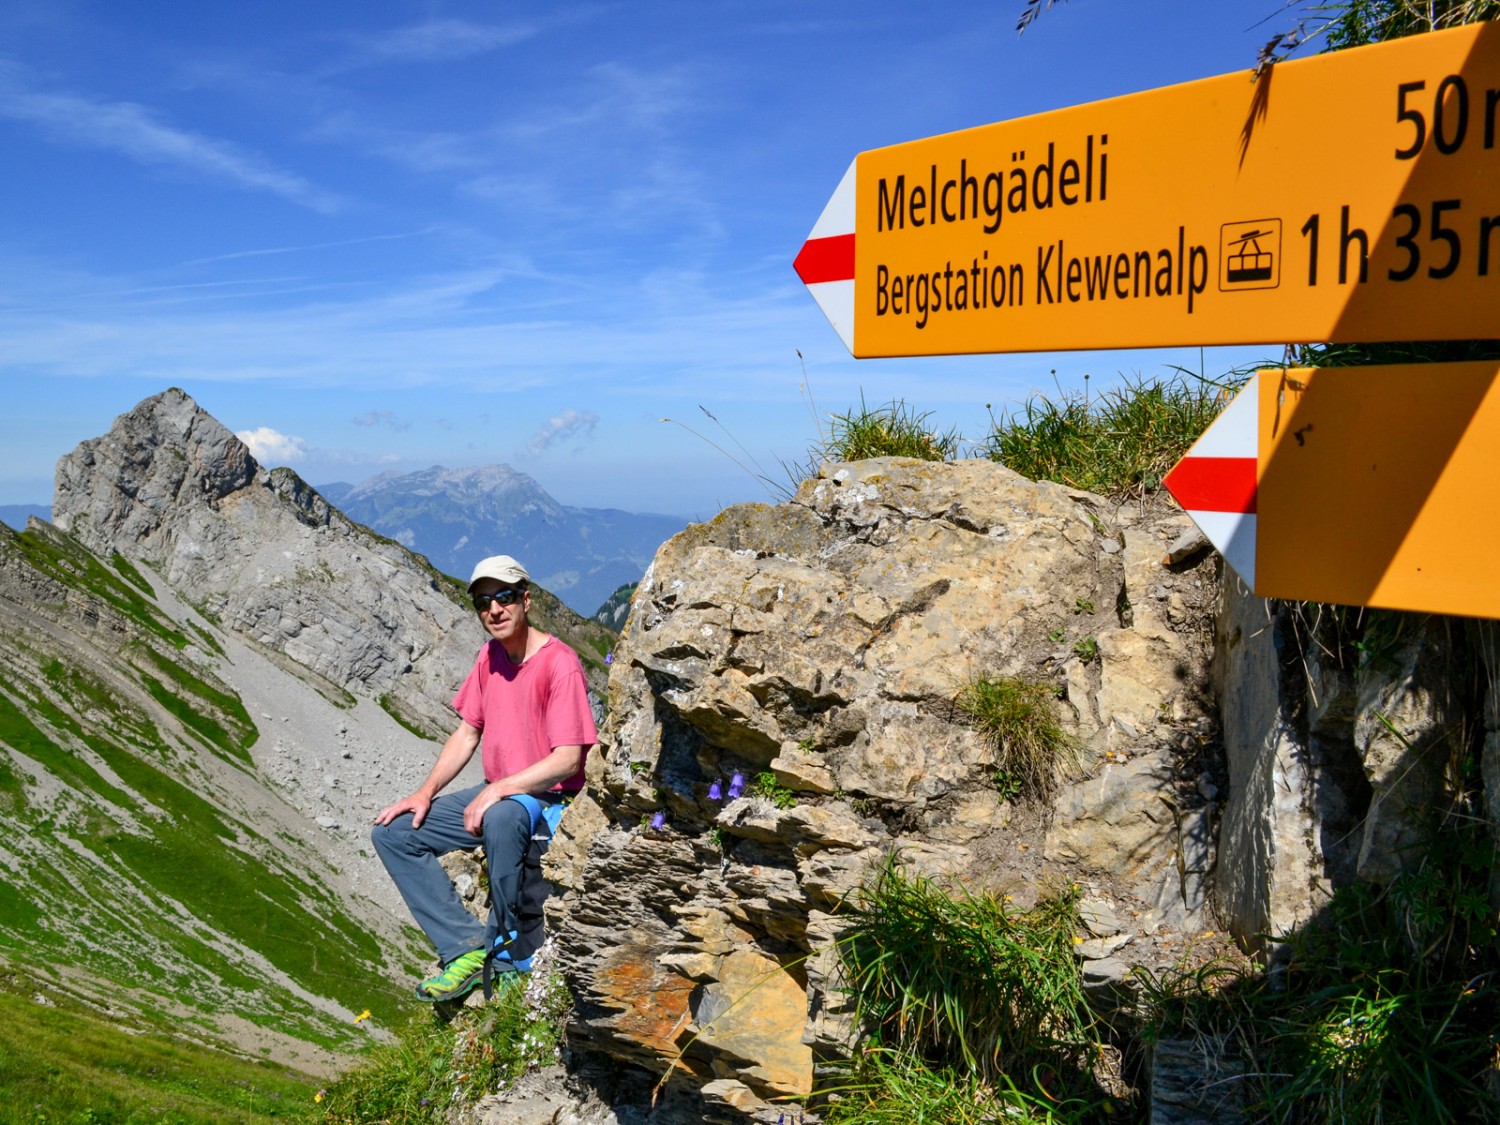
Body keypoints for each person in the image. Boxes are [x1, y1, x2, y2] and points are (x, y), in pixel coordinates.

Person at [372, 554, 597, 1002]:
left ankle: (506, 951)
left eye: (505, 597)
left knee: (500, 819)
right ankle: (465, 948)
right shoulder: (489, 656)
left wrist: (499, 789)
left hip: (546, 798)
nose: (494, 610)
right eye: (483, 602)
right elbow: (467, 731)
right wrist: (423, 793)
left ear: (526, 600)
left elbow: (569, 759)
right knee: (394, 834)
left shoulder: (560, 663)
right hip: (500, 791)